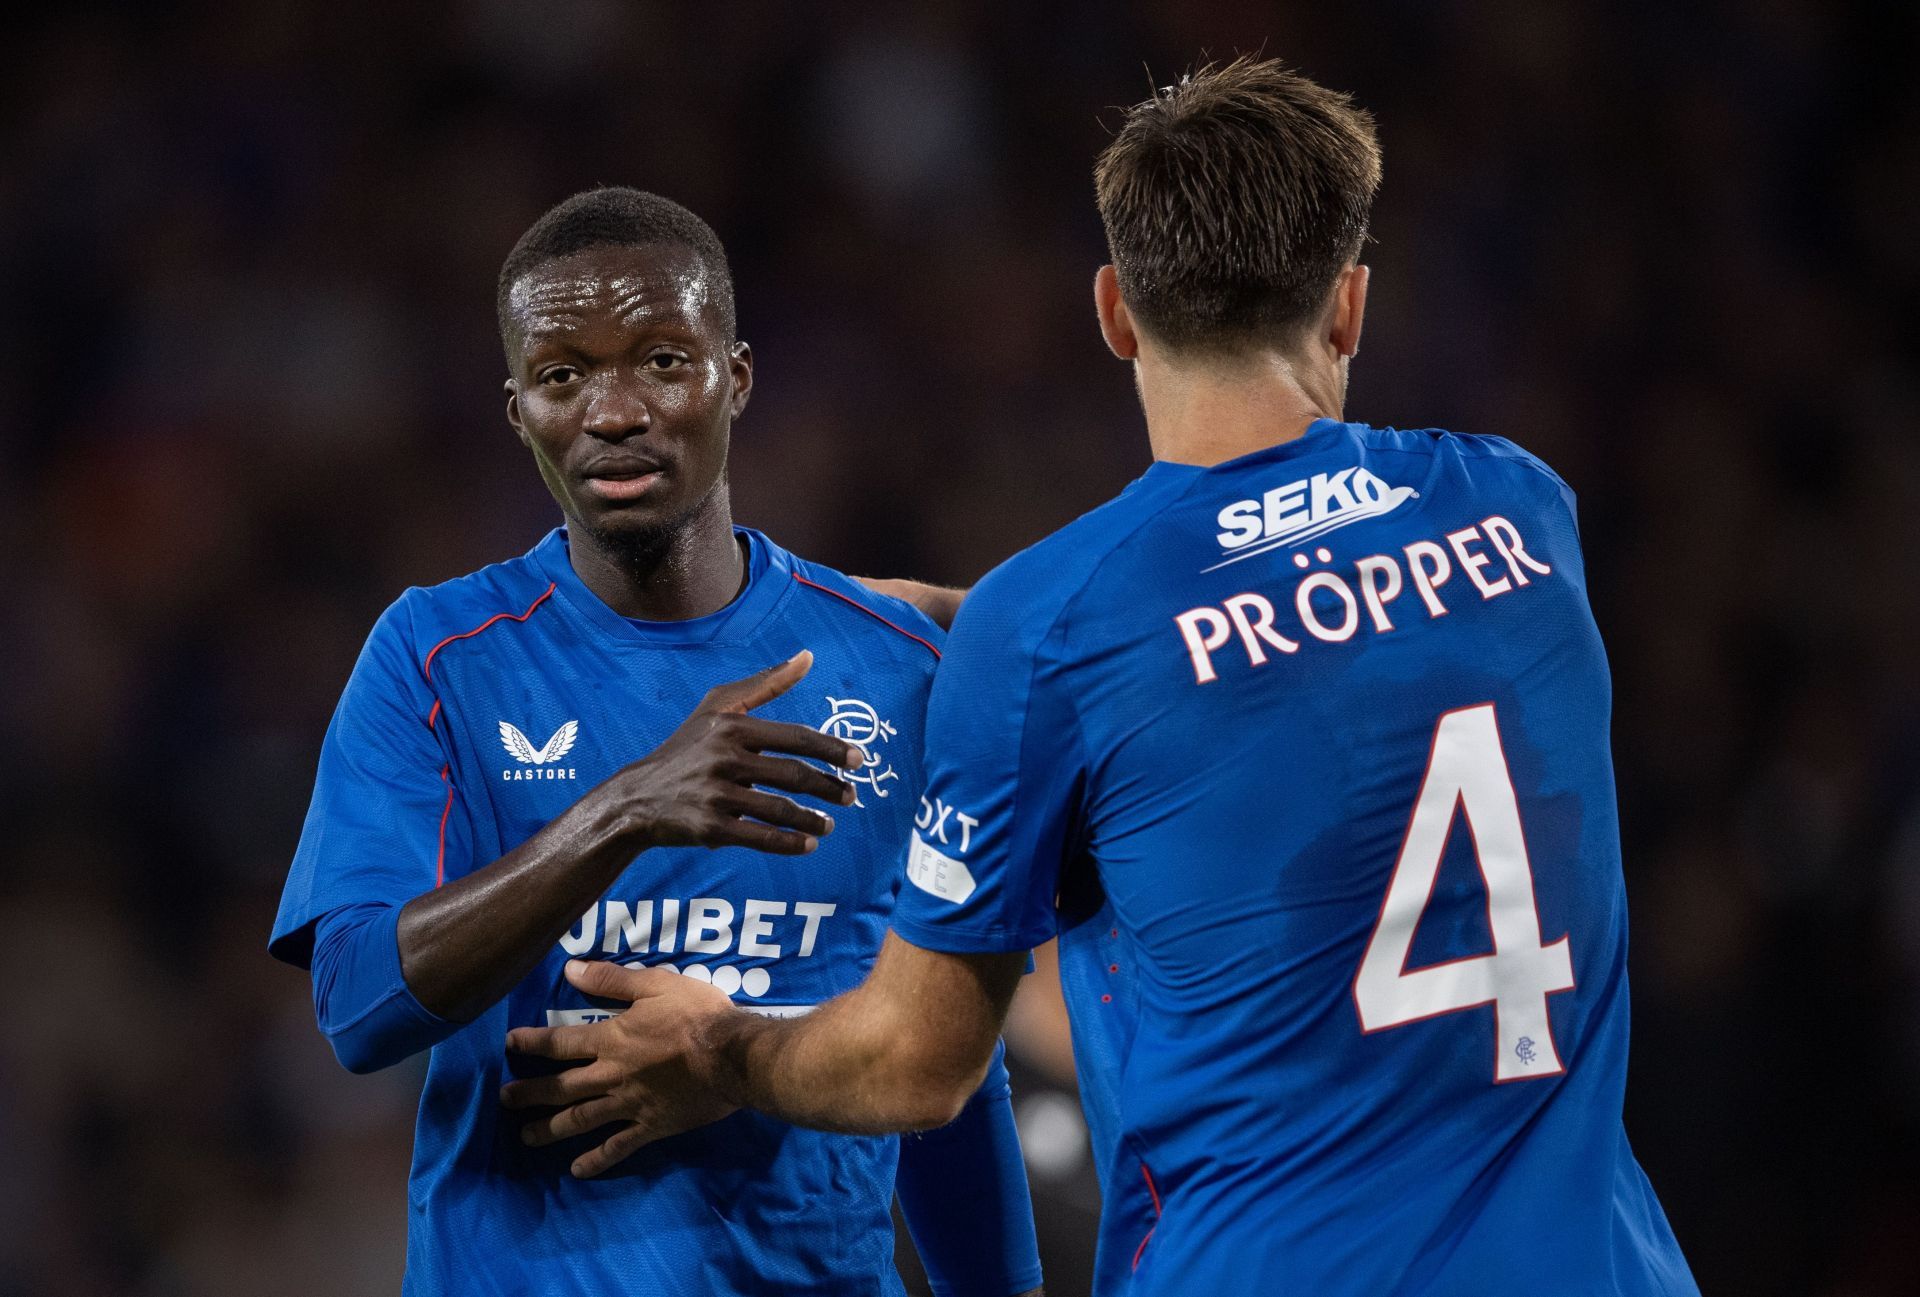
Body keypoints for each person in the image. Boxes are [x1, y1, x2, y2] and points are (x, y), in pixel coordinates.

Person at [502, 59, 1702, 1296]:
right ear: (1347, 308)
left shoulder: (1053, 626)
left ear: (1115, 311)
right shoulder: (1519, 506)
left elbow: (917, 1067)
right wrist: (1003, 640)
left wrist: (717, 1049)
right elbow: (1328, 635)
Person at [268, 187, 1041, 1297]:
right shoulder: (438, 656)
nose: (614, 411)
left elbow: (954, 1073)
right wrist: (622, 810)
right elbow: (355, 1006)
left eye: (663, 362)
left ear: (738, 375)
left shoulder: (898, 668)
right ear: (517, 407)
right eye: (563, 375)